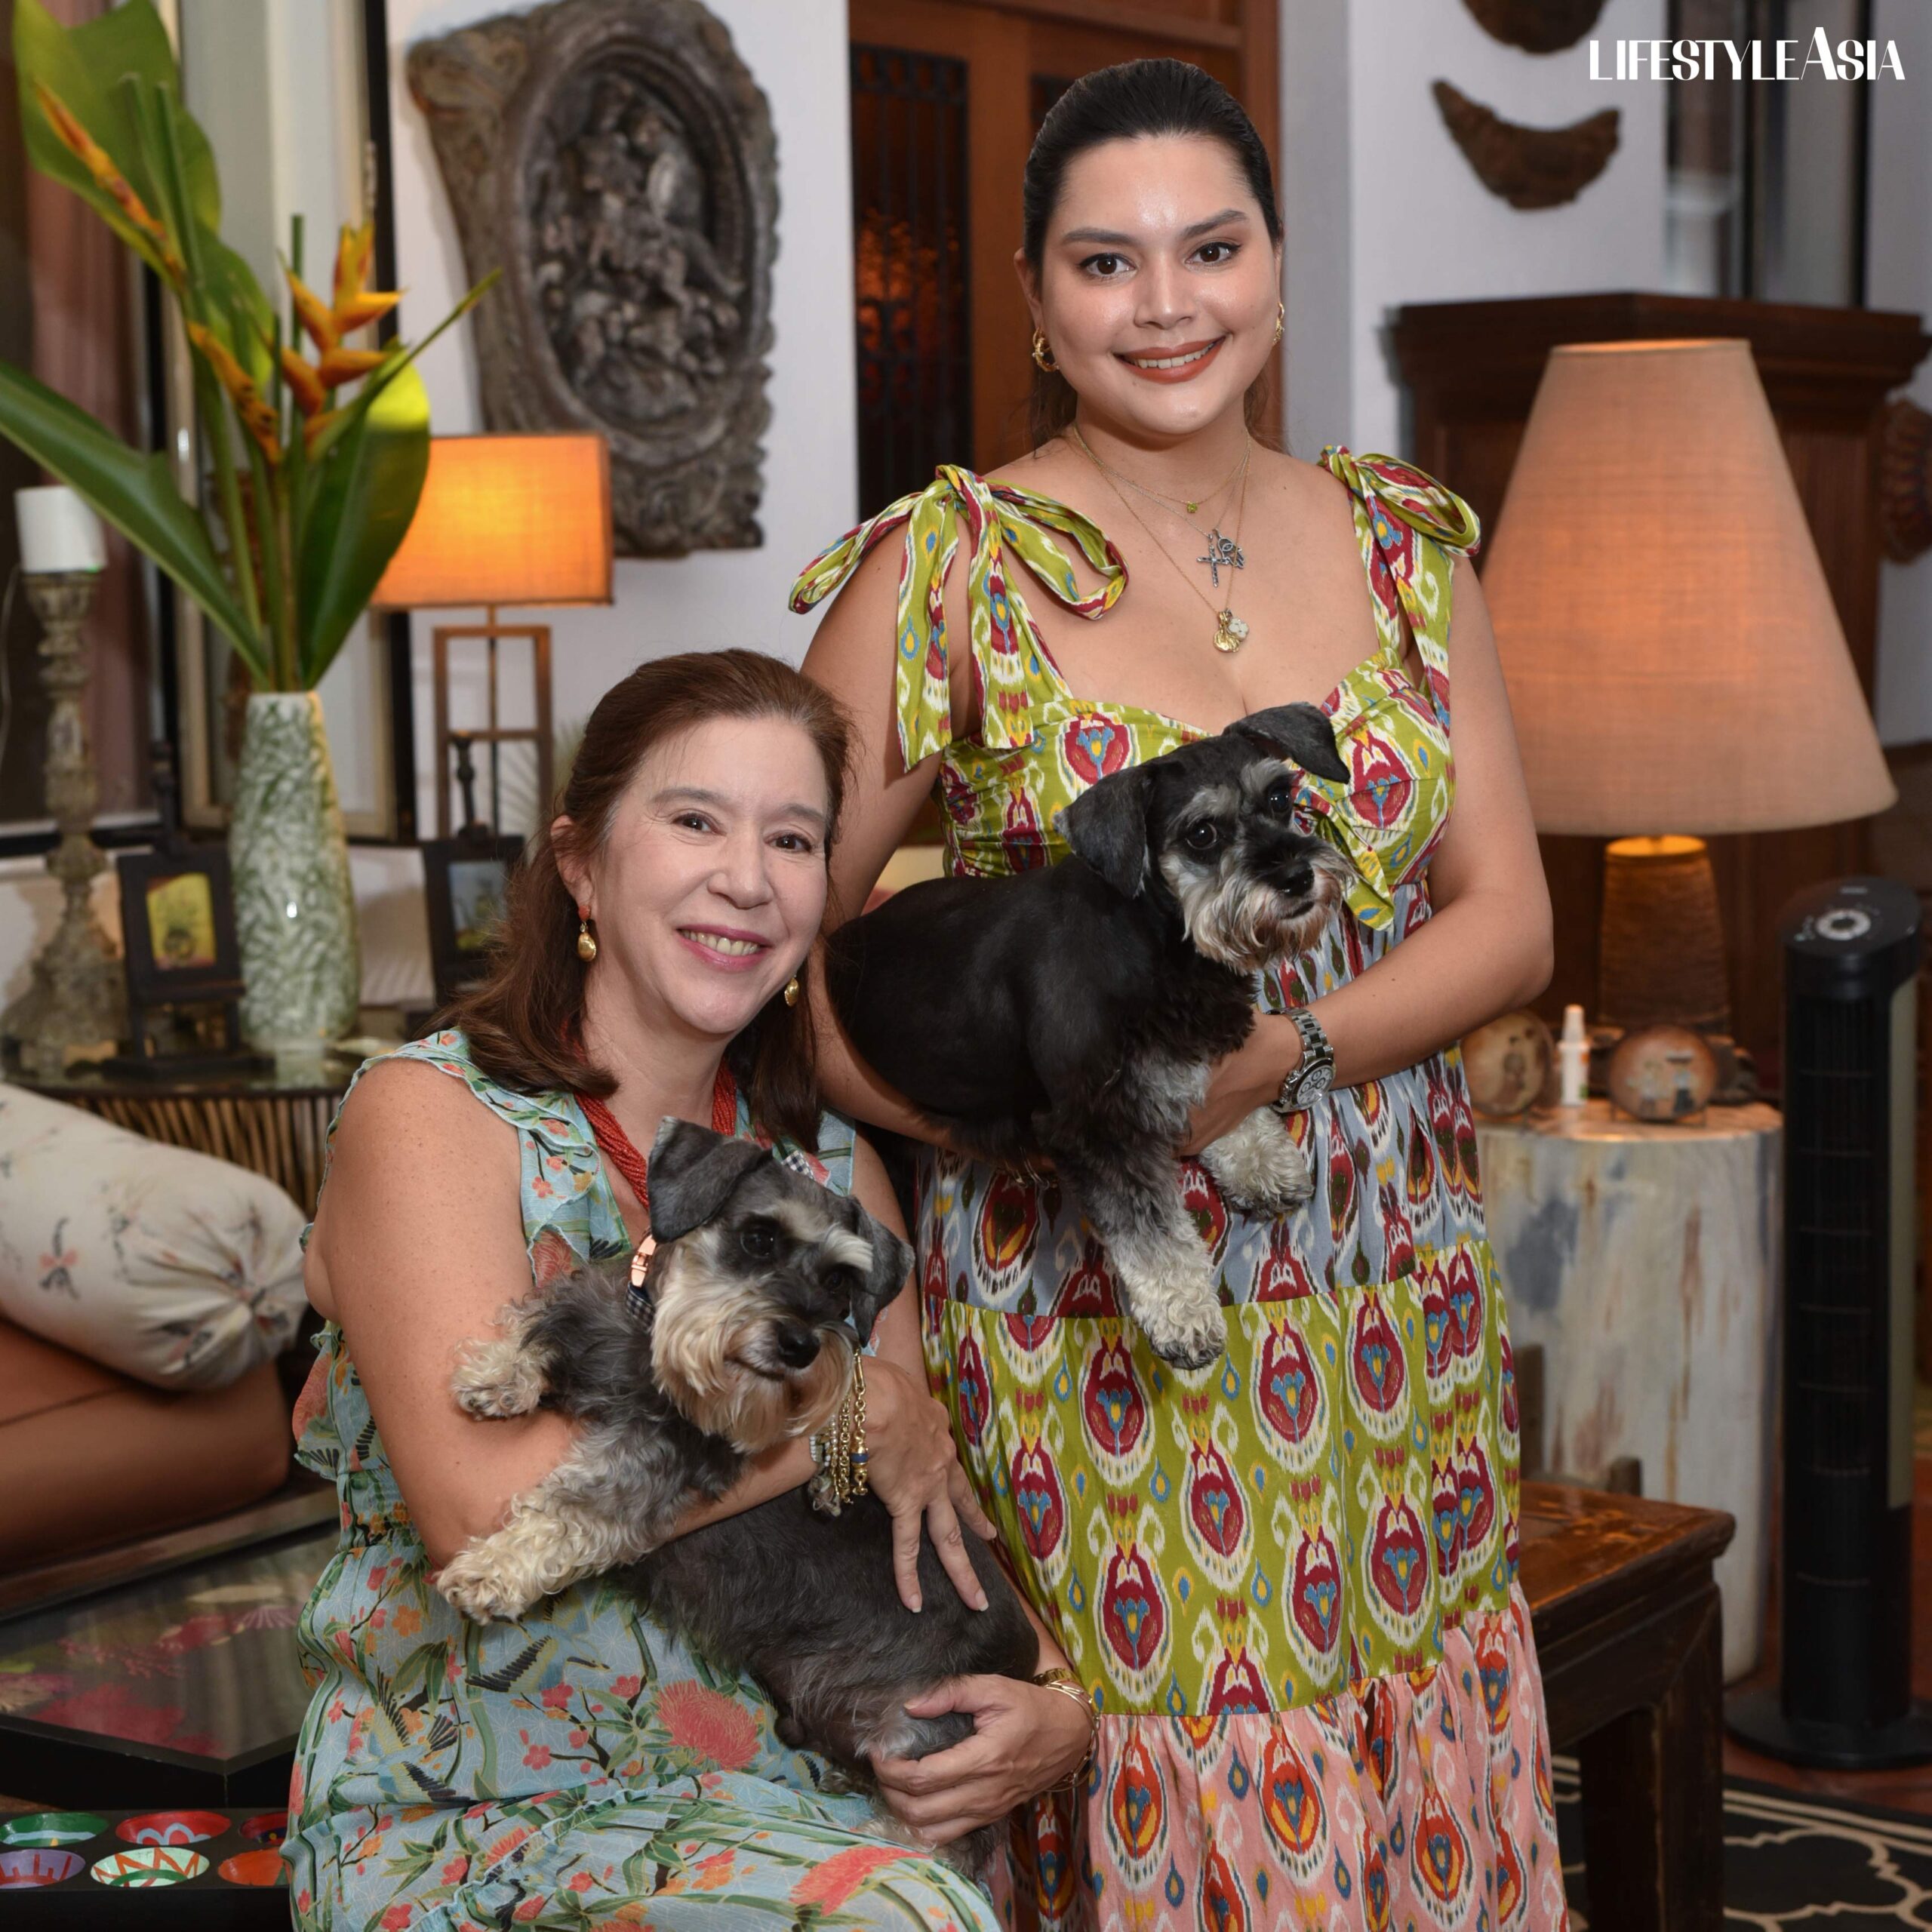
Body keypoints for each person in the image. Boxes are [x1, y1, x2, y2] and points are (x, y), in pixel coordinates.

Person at [794, 58, 1569, 1932]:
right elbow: (762, 951)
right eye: (1104, 261)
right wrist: (983, 1134)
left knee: (1404, 1718)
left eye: (1209, 249)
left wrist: (1274, 1061)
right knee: (1170, 1754)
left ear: (1275, 269)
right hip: (1088, 1310)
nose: (1164, 304)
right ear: (1032, 297)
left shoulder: (1401, 544)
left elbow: (1506, 919)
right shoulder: (945, 570)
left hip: (1389, 1274)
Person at [287, 651, 1093, 1930]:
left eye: (793, 839)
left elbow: (912, 1513)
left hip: (795, 1787)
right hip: (487, 1803)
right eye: (696, 821)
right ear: (581, 864)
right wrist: (851, 1413)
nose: (747, 878)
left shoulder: (832, 1172)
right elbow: (479, 1513)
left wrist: (1053, 1702)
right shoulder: (433, 1117)